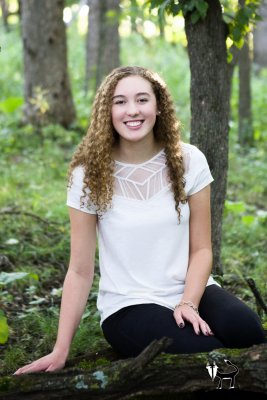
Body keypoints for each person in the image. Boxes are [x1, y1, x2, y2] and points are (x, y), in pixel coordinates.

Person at [14, 66, 266, 374]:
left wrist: (188, 303)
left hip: (188, 289)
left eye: (142, 99)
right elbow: (80, 270)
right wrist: (60, 349)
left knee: (248, 331)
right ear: (107, 111)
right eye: (120, 102)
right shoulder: (88, 175)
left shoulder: (188, 161)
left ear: (158, 106)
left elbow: (201, 249)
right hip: (129, 305)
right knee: (206, 357)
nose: (132, 110)